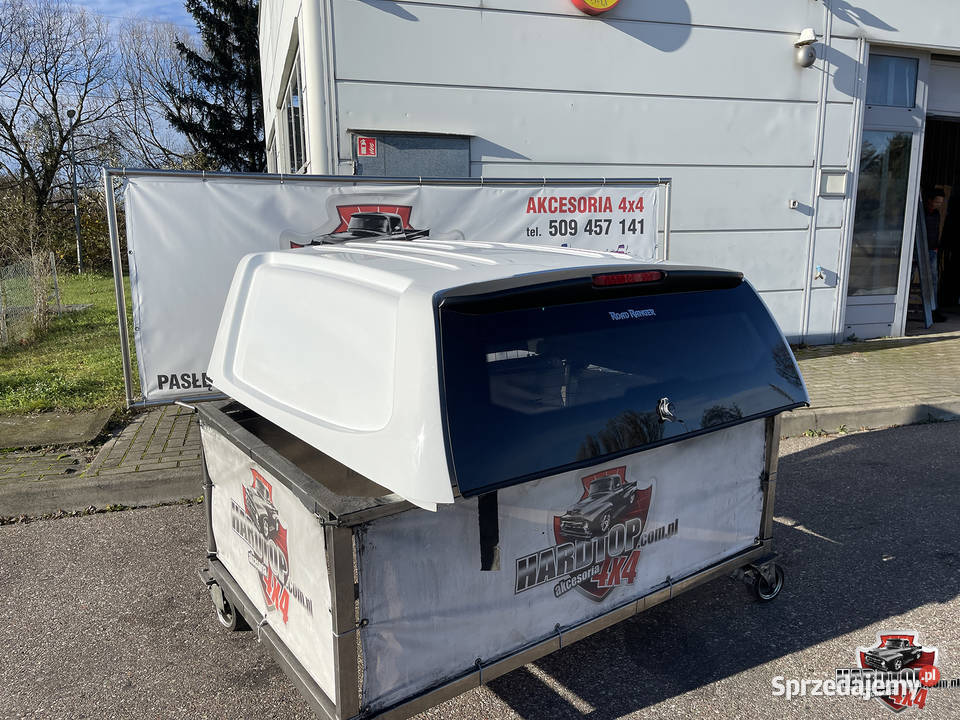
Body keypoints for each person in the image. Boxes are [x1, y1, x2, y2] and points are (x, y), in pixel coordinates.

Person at [923, 189, 947, 322]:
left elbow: (936, 231)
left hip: (932, 250)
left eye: (941, 202)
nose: (939, 204)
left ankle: (933, 309)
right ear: (930, 200)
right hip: (920, 250)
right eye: (937, 201)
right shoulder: (921, 213)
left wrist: (936, 247)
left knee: (933, 281)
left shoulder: (936, 214)